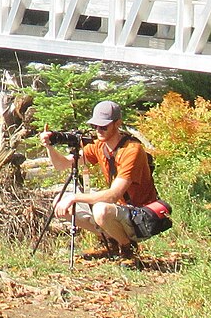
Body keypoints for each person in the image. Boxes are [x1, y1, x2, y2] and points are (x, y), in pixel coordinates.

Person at [40, 98, 170, 257]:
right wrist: (49, 146)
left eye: (103, 126)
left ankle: (127, 248)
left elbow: (113, 195)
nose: (98, 130)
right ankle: (111, 240)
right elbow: (62, 165)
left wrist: (74, 197)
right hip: (119, 209)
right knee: (60, 201)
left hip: (142, 216)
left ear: (117, 124)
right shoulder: (99, 146)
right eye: (95, 126)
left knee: (100, 210)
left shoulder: (132, 150)